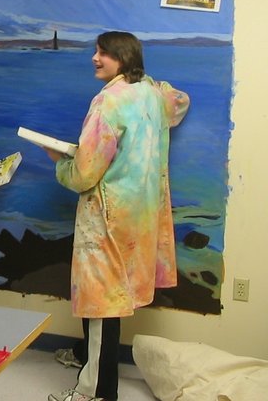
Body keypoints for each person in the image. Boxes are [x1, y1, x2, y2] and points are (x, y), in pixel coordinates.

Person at [43, 31, 190, 401]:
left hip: (106, 221)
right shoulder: (152, 96)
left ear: (122, 57)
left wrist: (60, 162)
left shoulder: (108, 102)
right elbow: (179, 101)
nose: (95, 58)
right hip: (140, 219)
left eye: (103, 53)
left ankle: (93, 393)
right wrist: (156, 84)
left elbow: (84, 174)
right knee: (113, 307)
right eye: (96, 51)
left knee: (100, 308)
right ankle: (98, 386)